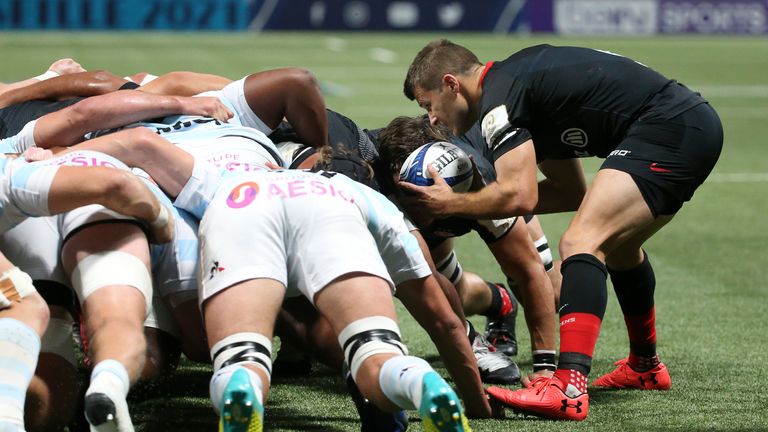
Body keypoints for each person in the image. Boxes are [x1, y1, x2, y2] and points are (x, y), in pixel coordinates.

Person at [401, 40, 723, 420]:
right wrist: (480, 208)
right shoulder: (520, 90)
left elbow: (519, 196)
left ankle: (568, 388)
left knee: (582, 242)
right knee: (618, 248)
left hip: (669, 128)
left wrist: (452, 205)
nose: (433, 119)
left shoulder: (499, 102)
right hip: (682, 125)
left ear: (452, 84)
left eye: (429, 105)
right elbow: (569, 192)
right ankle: (645, 366)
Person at [0, 151, 174, 432]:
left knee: (52, 398)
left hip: (43, 198)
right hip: (90, 182)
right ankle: (109, 382)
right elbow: (126, 162)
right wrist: (164, 221)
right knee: (116, 317)